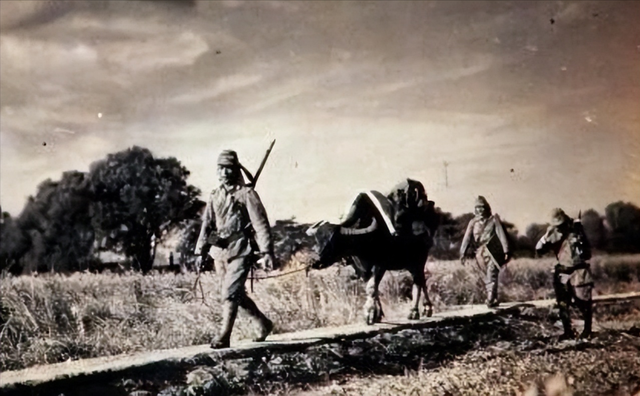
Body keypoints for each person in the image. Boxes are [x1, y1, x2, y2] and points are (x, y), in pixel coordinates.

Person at [194, 149, 275, 349]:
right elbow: (207, 224)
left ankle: (224, 336)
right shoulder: (214, 195)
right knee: (235, 293)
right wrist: (200, 250)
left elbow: (261, 224)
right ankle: (263, 324)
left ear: (235, 170)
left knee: (229, 292)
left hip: (241, 249)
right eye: (220, 168)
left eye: (228, 168)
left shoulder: (247, 194)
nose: (224, 172)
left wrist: (267, 252)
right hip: (219, 251)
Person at [536, 208, 593, 340]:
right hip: (562, 271)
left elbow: (587, 254)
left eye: (560, 224)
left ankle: (587, 330)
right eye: (556, 225)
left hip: (579, 271)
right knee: (563, 304)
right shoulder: (552, 232)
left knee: (583, 302)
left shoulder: (577, 230)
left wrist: (580, 239)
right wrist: (545, 239)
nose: (559, 227)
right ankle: (568, 331)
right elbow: (539, 250)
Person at [459, 196, 511, 308]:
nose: (479, 210)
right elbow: (467, 238)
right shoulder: (472, 222)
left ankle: (490, 299)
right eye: (477, 207)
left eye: (481, 207)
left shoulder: (493, 219)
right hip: (480, 254)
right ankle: (494, 297)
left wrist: (506, 250)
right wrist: (462, 253)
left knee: (492, 273)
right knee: (488, 276)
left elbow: (501, 235)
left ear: (486, 208)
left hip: (493, 251)